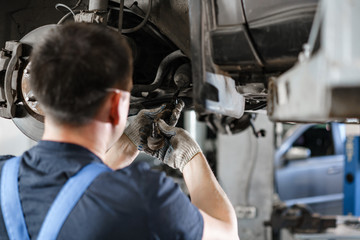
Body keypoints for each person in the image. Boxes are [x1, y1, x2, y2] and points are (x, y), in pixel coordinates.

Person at [0, 23, 238, 240]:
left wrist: (125, 146)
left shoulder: (3, 177)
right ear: (115, 107)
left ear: (38, 98)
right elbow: (226, 234)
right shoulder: (145, 196)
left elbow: (69, 195)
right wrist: (190, 157)